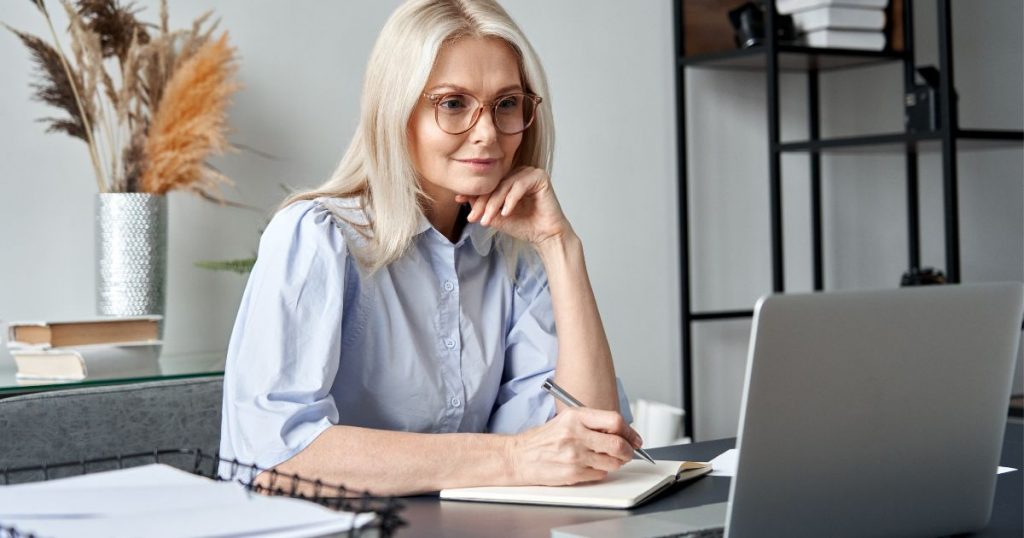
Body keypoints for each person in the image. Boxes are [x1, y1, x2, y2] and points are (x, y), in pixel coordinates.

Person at [219, 0, 642, 496]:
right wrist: (512, 457)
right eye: (453, 103)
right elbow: (274, 456)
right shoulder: (316, 237)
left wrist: (560, 246)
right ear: (398, 112)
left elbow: (587, 445)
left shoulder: (514, 254)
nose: (487, 134)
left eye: (507, 103)